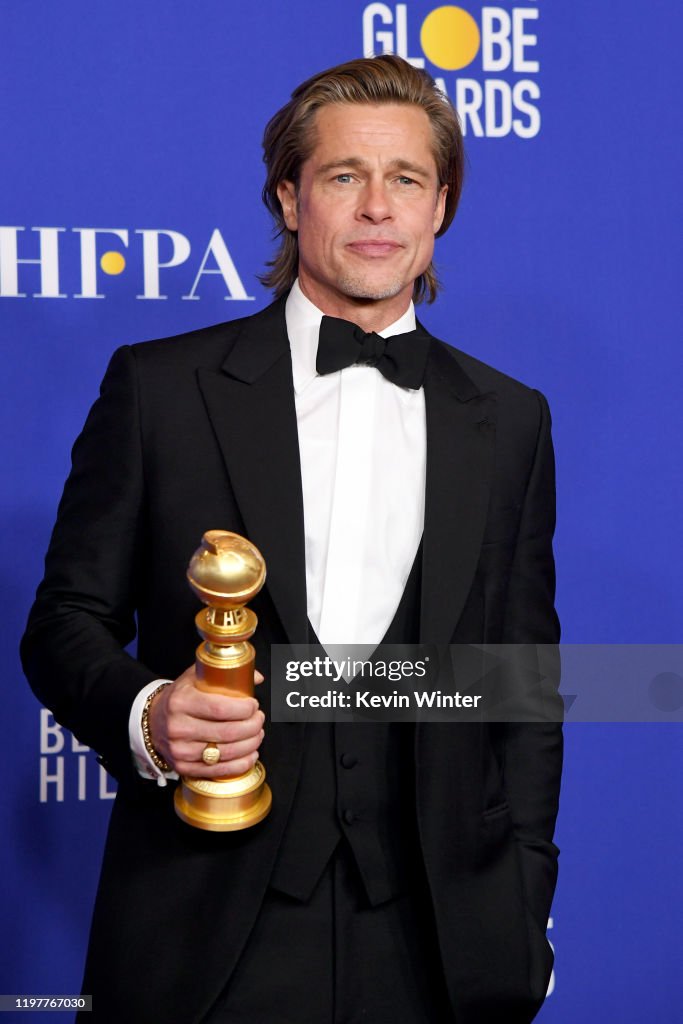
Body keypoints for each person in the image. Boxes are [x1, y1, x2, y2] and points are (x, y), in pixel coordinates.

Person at [22, 55, 562, 1024]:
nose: (375, 207)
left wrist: (522, 896)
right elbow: (64, 620)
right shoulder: (161, 390)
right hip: (206, 914)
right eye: (342, 176)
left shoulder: (510, 418)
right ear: (288, 197)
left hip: (440, 931)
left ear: (439, 206)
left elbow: (517, 678)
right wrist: (148, 713)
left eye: (405, 179)